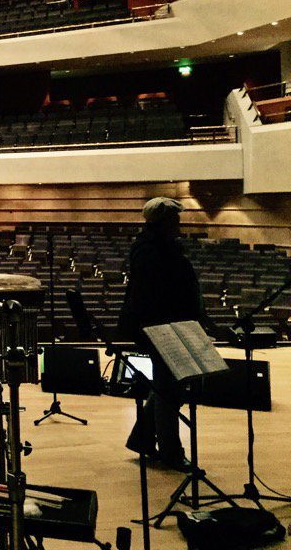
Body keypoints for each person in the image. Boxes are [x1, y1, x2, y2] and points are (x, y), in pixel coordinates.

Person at [120, 197, 204, 472]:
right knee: (170, 389)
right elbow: (158, 296)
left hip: (170, 326)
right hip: (164, 329)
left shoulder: (158, 247)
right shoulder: (151, 251)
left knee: (167, 386)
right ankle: (172, 453)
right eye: (175, 219)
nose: (179, 223)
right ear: (163, 221)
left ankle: (141, 439)